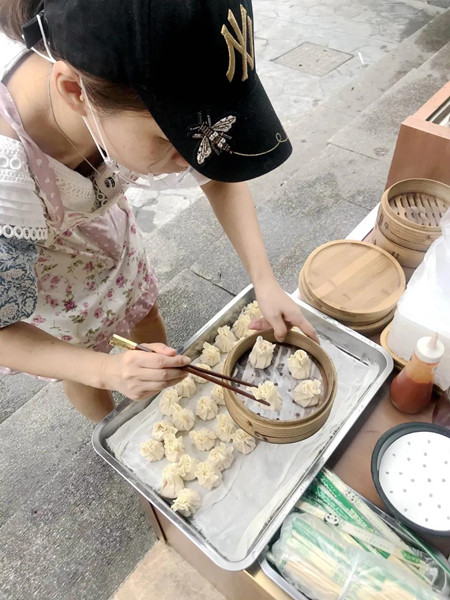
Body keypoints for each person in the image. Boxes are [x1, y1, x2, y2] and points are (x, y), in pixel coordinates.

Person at [0, 0, 317, 422]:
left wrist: (265, 281)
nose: (190, 160)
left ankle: (156, 407)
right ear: (74, 91)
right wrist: (106, 370)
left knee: (144, 307)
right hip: (53, 294)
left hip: (111, 241)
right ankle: (112, 421)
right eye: (171, 140)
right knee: (84, 369)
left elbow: (216, 172)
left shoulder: (107, 95)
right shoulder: (7, 178)